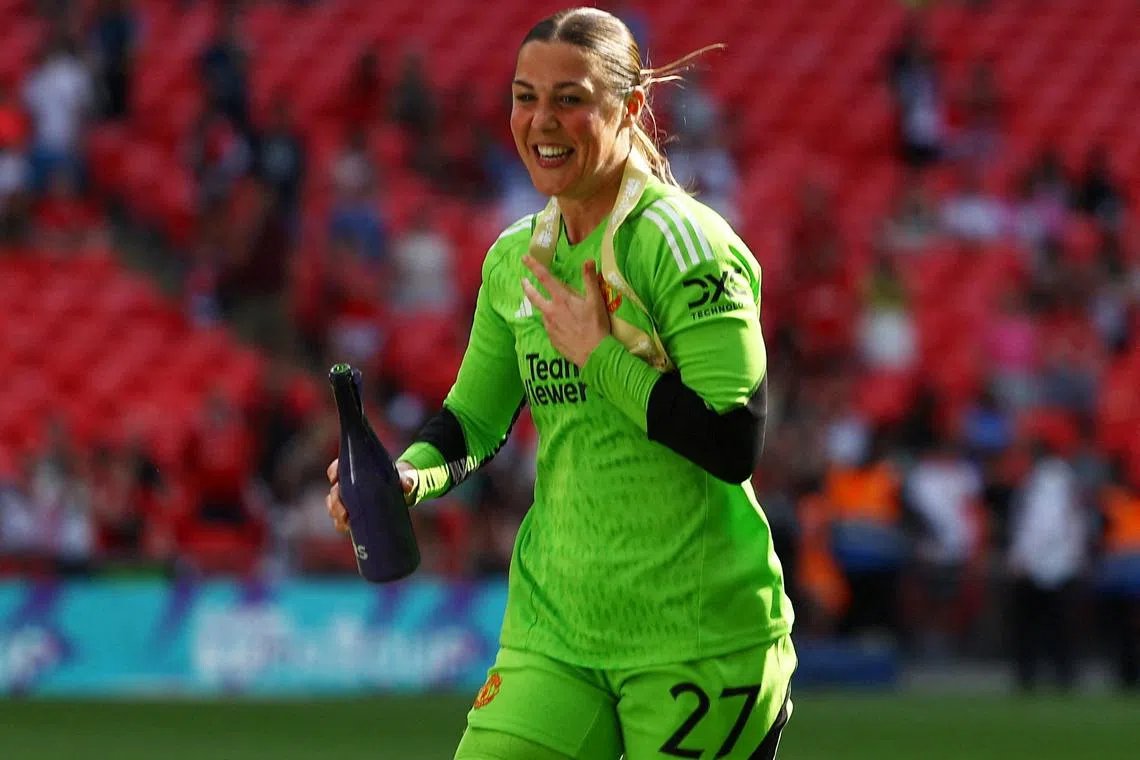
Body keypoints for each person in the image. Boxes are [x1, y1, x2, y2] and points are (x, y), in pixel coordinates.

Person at [325, 7, 794, 759]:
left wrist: (600, 356)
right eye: (524, 97)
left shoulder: (686, 246)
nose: (542, 120)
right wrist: (403, 479)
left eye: (570, 98)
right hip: (557, 629)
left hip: (698, 636)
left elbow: (733, 440)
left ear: (629, 107)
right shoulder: (515, 257)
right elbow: (473, 422)